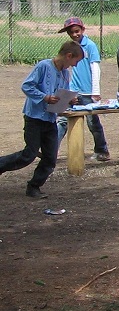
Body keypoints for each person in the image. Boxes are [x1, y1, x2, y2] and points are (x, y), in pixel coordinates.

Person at [0, 41, 82, 197]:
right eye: (75, 61)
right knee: (29, 155)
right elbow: (27, 86)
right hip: (35, 118)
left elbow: (62, 94)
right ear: (68, 56)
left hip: (50, 119)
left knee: (50, 158)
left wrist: (69, 100)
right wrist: (45, 97)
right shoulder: (44, 66)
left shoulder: (65, 74)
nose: (75, 65)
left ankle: (34, 186)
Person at [55, 17, 110, 163]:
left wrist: (95, 91)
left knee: (93, 122)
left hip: (87, 91)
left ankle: (102, 150)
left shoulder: (90, 46)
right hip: (72, 89)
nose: (74, 34)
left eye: (77, 31)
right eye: (71, 32)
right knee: (62, 120)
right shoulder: (69, 47)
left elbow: (95, 68)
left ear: (82, 30)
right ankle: (51, 151)